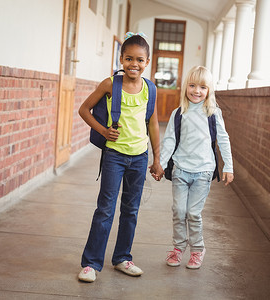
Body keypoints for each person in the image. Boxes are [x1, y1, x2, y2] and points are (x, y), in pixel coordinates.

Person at [77, 32, 164, 283]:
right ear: (121, 59)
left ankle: (122, 258)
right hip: (115, 155)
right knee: (105, 209)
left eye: (139, 60)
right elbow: (84, 109)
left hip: (139, 157)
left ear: (147, 62)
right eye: (128, 59)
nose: (133, 64)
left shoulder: (150, 89)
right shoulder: (110, 84)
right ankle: (91, 263)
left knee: (131, 210)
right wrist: (103, 130)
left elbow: (154, 124)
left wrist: (156, 159)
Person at [160, 66, 234, 269]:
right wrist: (160, 164)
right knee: (178, 210)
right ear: (185, 87)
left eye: (203, 87)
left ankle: (197, 250)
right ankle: (178, 248)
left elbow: (223, 140)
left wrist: (228, 165)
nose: (196, 91)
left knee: (193, 213)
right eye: (192, 85)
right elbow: (169, 140)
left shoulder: (213, 113)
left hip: (203, 171)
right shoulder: (179, 113)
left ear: (209, 90)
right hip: (181, 170)